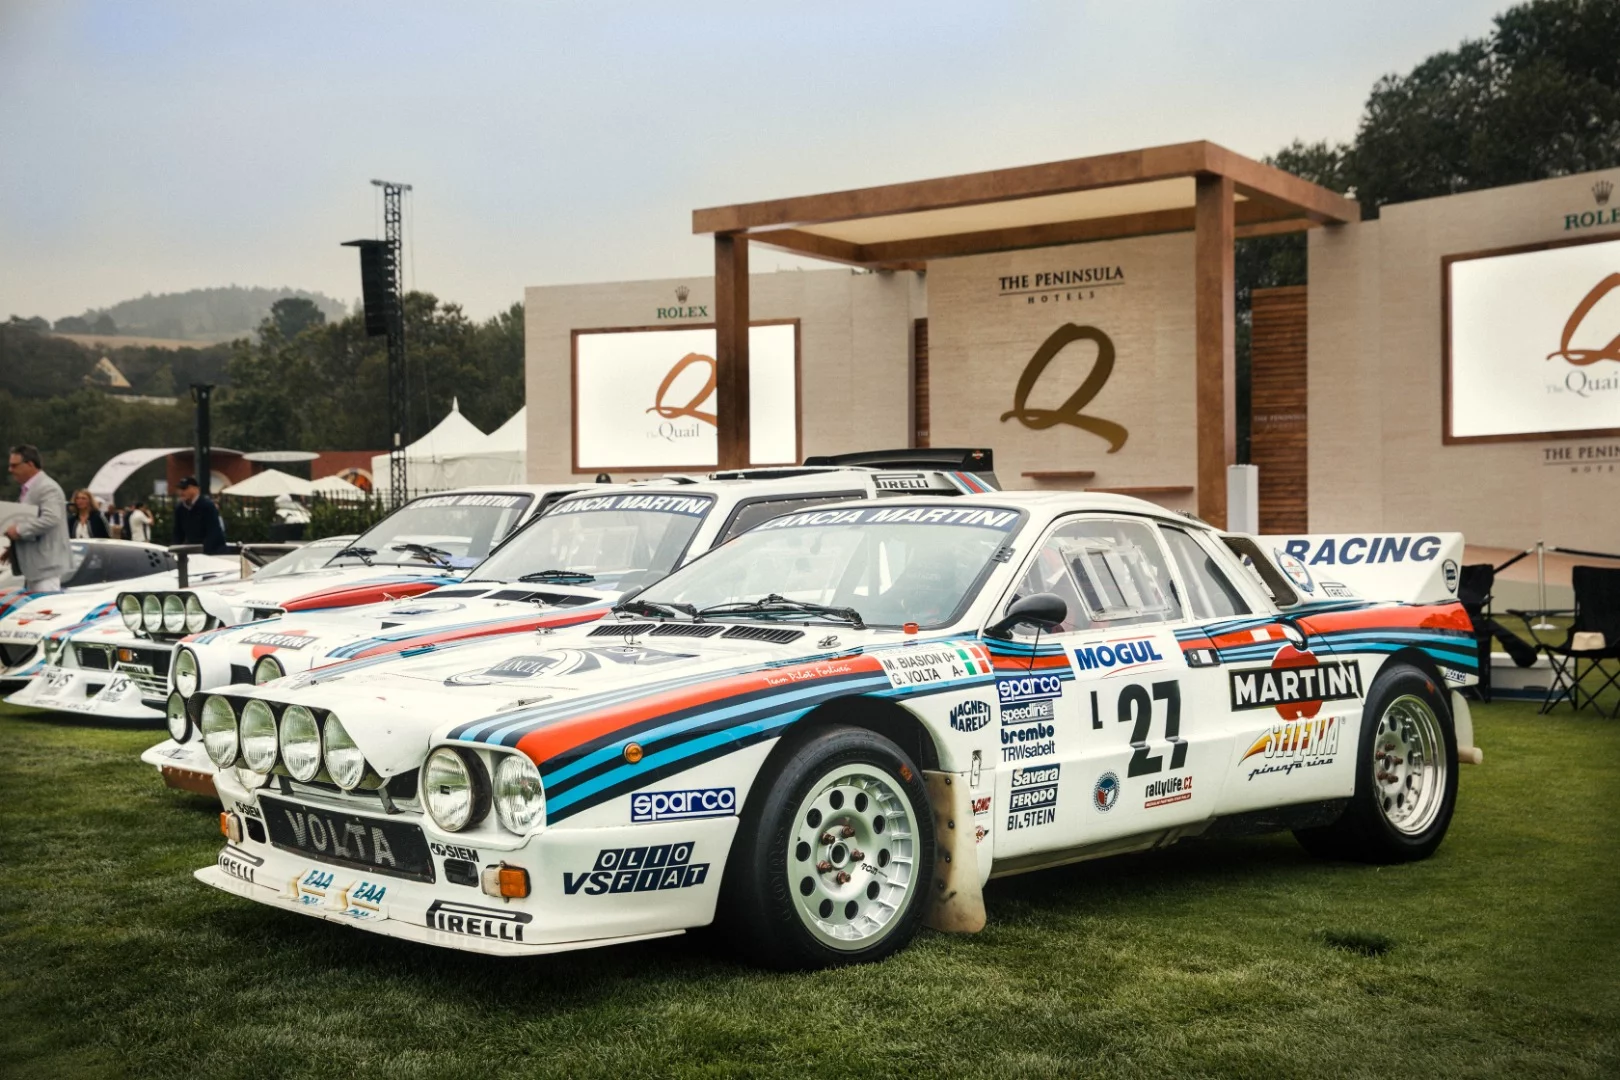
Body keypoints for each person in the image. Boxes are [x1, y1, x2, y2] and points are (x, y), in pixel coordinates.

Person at [5, 444, 70, 592]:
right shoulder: (30, 489)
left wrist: (19, 530)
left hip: (46, 566)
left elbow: (52, 518)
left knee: (46, 610)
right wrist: (13, 548)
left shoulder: (47, 488)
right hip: (35, 568)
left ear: (30, 464)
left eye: (14, 466)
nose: (10, 470)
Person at [171, 476, 227, 554]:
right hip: (194, 550)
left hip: (213, 551)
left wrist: (204, 551)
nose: (181, 492)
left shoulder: (207, 506)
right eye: (180, 489)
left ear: (196, 489)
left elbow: (213, 531)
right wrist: (175, 550)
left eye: (185, 489)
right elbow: (178, 532)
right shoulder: (180, 509)